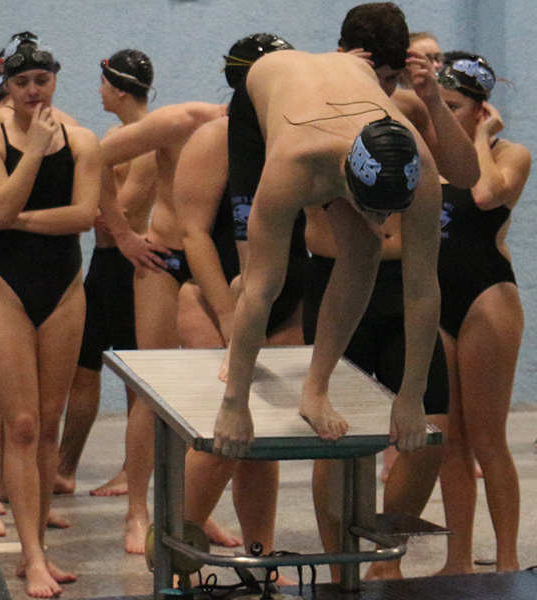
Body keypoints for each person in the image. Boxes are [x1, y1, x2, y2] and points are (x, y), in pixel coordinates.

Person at [301, 4, 479, 581]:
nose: (378, 90)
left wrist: (428, 99)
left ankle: (381, 558)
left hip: (405, 292)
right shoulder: (312, 110)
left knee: (428, 434)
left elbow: (466, 174)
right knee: (339, 443)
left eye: (388, 78)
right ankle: (339, 572)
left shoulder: (405, 107)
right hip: (338, 288)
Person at [212, 47, 442, 462]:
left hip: (350, 82)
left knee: (366, 246)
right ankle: (239, 344)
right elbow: (263, 291)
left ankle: (315, 390)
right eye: (374, 208)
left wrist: (411, 396)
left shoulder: (421, 169)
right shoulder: (294, 164)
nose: (386, 219)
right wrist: (234, 404)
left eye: (392, 209)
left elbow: (423, 291)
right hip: (263, 100)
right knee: (259, 276)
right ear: (344, 179)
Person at [0, 36, 100, 597]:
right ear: (8, 85)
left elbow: (83, 216)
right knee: (19, 423)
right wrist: (31, 156)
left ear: (53, 80)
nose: (31, 91)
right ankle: (31, 554)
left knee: (48, 423)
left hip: (63, 284)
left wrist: (16, 220)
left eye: (41, 80)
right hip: (1, 282)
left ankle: (37, 551)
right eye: (21, 82)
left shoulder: (85, 141)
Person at [175, 33, 298, 572]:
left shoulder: (294, 140)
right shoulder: (214, 139)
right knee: (219, 438)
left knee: (260, 440)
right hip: (214, 299)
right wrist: (231, 318)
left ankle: (260, 558)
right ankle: (175, 549)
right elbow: (194, 233)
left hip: (285, 302)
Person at [99, 81, 225, 554]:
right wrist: (123, 234)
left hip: (216, 263)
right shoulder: (184, 120)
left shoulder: (267, 136)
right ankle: (137, 510)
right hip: (164, 260)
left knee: (212, 388)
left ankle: (197, 507)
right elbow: (94, 155)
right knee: (151, 390)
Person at [436, 52, 530, 575]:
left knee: (488, 438)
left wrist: (477, 139)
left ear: (480, 110)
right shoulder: (427, 152)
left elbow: (488, 194)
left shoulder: (510, 153)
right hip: (437, 300)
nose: (442, 115)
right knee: (452, 440)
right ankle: (456, 560)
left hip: (486, 296)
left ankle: (509, 561)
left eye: (453, 107)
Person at [55, 49, 157, 498]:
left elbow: (125, 209)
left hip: (131, 268)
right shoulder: (117, 135)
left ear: (118, 87)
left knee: (138, 379)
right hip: (103, 265)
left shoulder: (147, 140)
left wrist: (80, 207)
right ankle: (65, 467)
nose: (98, 91)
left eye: (102, 84)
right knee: (83, 366)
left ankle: (132, 474)